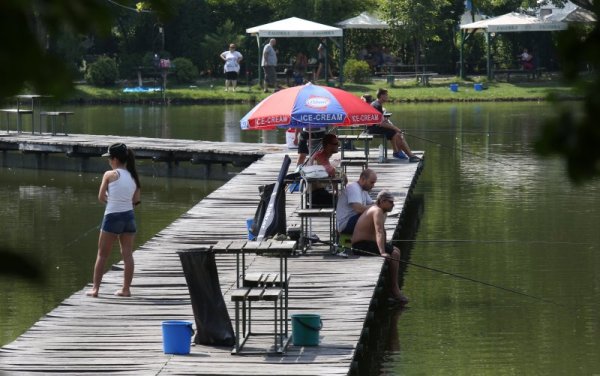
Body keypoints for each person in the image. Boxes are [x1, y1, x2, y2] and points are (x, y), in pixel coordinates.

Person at [86, 143, 141, 298]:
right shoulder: (133, 176)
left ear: (115, 159)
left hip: (112, 217)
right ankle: (126, 289)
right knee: (127, 254)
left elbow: (101, 196)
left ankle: (95, 289)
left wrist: (111, 201)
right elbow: (136, 200)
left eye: (109, 158)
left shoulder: (109, 175)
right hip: (129, 217)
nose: (109, 161)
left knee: (102, 255)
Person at [352, 190, 409, 304]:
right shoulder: (377, 211)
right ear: (382, 201)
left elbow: (382, 231)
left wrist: (386, 245)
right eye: (391, 202)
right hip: (360, 245)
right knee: (395, 253)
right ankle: (394, 289)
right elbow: (378, 231)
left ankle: (391, 288)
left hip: (367, 243)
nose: (393, 205)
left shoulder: (380, 211)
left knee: (396, 250)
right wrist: (382, 251)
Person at [368, 88, 420, 163]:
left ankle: (398, 152)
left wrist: (389, 123)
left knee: (396, 133)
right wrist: (396, 128)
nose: (387, 96)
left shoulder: (376, 104)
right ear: (382, 96)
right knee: (397, 133)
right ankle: (410, 155)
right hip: (373, 128)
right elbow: (381, 123)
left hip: (374, 127)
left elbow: (381, 120)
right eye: (386, 95)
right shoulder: (377, 105)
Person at [336, 169, 376, 234]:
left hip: (353, 220)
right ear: (363, 179)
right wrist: (376, 207)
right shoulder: (354, 188)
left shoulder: (363, 190)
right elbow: (359, 209)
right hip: (345, 224)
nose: (373, 186)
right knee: (373, 214)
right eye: (371, 182)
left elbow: (372, 203)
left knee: (379, 212)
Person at [308, 133, 340, 207]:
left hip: (320, 193)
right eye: (336, 143)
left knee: (344, 197)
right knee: (344, 201)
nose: (338, 145)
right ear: (328, 145)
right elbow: (331, 171)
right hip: (315, 196)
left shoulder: (321, 155)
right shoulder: (319, 157)